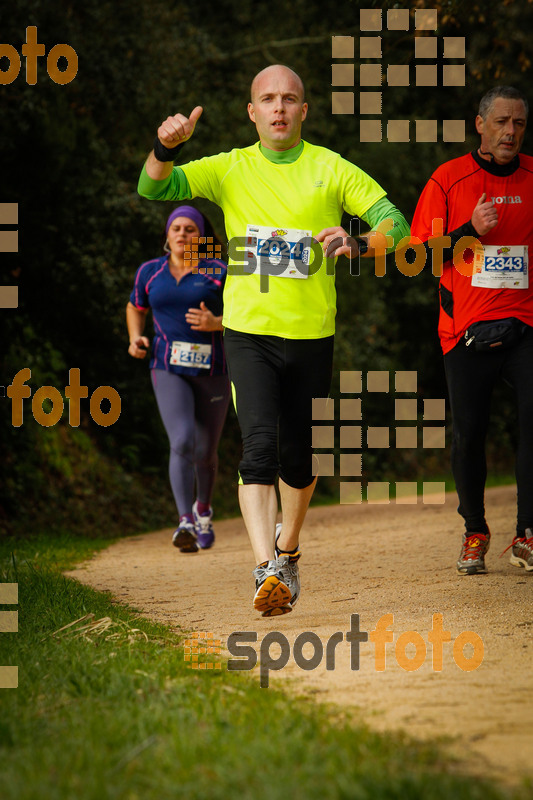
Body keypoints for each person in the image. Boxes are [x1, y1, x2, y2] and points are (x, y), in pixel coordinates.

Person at [138, 64, 409, 615]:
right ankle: (265, 570)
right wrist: (164, 148)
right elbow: (152, 186)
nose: (279, 108)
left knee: (298, 456)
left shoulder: (330, 169)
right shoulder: (229, 168)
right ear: (252, 112)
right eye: (268, 99)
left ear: (304, 111)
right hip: (247, 332)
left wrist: (357, 244)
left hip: (310, 333)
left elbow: (395, 224)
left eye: (289, 99)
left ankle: (289, 550)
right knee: (258, 446)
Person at [410, 86, 533, 575]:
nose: (510, 132)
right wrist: (469, 231)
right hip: (465, 332)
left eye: (519, 123)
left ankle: (527, 533)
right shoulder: (447, 180)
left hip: (526, 324)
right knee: (469, 435)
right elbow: (416, 258)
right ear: (479, 125)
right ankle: (475, 531)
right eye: (501, 121)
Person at [127, 206, 230, 553]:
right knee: (183, 440)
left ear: (201, 237)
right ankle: (184, 520)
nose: (182, 234)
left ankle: (204, 509)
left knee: (205, 449)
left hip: (214, 369)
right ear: (167, 235)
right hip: (166, 366)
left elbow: (246, 313)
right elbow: (135, 306)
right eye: (176, 228)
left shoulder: (219, 272)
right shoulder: (150, 272)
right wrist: (136, 337)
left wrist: (217, 322)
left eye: (190, 229)